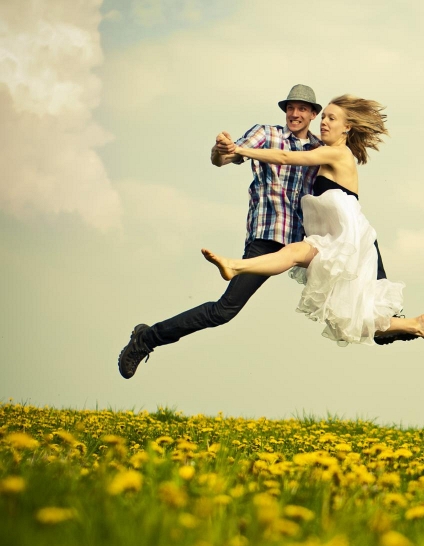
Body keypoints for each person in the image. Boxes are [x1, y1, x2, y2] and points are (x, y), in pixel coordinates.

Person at [203, 95, 424, 354]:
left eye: (331, 118)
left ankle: (235, 266)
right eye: (324, 117)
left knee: (312, 273)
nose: (324, 123)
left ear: (347, 127)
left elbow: (284, 156)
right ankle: (416, 324)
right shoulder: (324, 150)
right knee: (349, 316)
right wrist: (225, 152)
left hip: (348, 238)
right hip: (331, 235)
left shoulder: (336, 153)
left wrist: (240, 150)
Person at [118, 85, 323, 379]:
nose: (294, 113)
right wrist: (222, 149)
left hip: (302, 243)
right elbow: (227, 157)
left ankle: (393, 325)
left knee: (348, 260)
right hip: (268, 237)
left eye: (302, 109)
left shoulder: (318, 148)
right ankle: (148, 338)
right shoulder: (267, 134)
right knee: (225, 310)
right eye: (290, 108)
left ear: (313, 114)